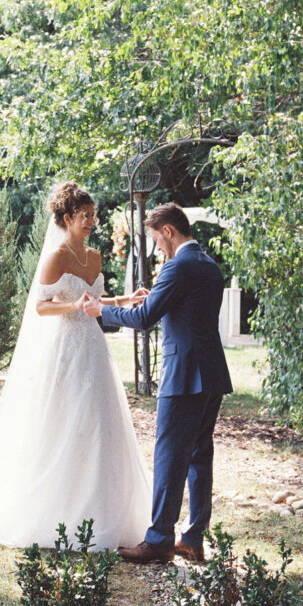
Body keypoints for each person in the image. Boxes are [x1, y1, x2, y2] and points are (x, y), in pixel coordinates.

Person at [0, 181, 152, 550]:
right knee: (65, 420)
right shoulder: (56, 257)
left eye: (93, 215)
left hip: (93, 348)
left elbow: (96, 298)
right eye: (84, 216)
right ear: (67, 218)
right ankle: (58, 507)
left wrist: (126, 299)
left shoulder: (96, 257)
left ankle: (102, 509)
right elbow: (41, 306)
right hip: (66, 344)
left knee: (100, 422)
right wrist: (72, 306)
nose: (90, 221)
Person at [83, 202, 232, 564]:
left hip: (184, 376)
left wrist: (102, 310)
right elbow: (188, 312)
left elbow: (145, 318)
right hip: (211, 374)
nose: (157, 248)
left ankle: (159, 540)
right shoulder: (207, 264)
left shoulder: (177, 266)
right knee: (199, 457)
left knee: (169, 456)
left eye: (156, 239)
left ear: (168, 230)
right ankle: (193, 538)